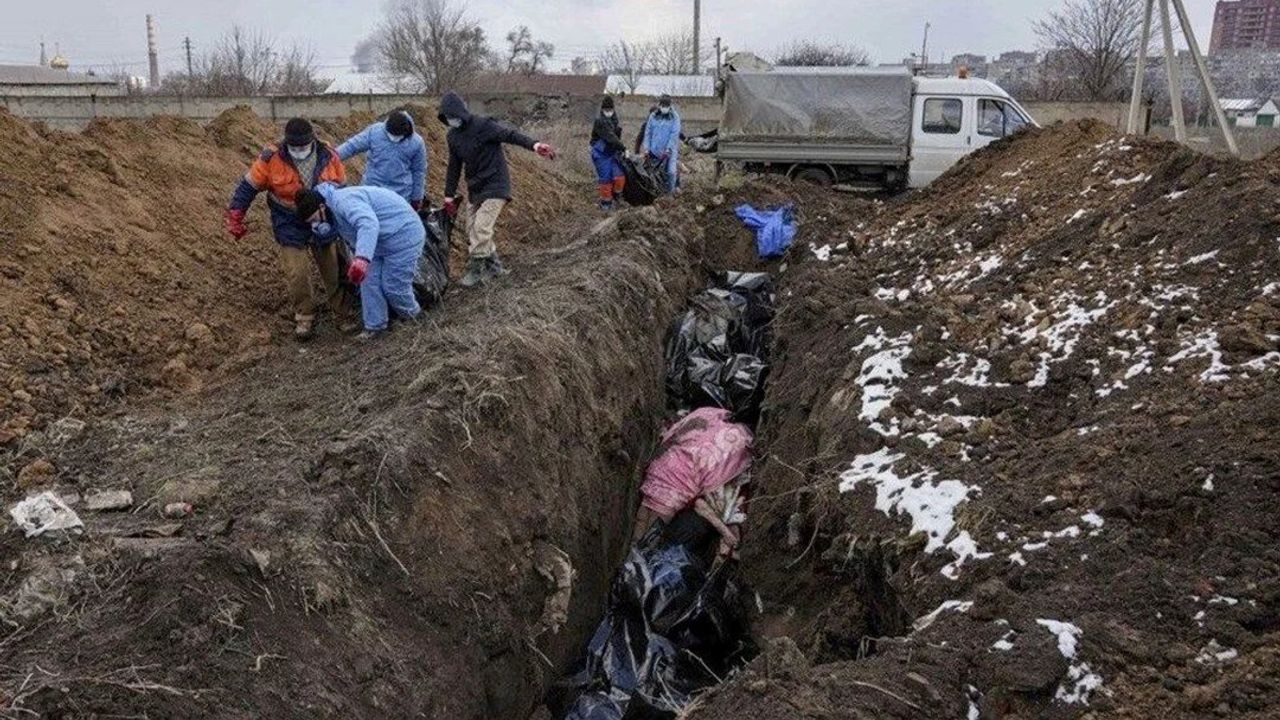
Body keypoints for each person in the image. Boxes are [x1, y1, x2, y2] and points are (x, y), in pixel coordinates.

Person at [225, 118, 349, 340]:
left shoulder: (328, 155)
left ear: (312, 141)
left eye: (303, 147)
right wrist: (236, 214)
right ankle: (304, 316)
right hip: (288, 219)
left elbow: (342, 188)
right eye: (294, 147)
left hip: (321, 216)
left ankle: (343, 313)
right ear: (287, 143)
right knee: (297, 272)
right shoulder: (271, 157)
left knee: (333, 267)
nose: (299, 151)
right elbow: (248, 186)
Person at [437, 91, 557, 287]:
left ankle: (475, 271)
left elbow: (510, 135)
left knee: (481, 227)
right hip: (475, 187)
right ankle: (494, 266)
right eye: (448, 118)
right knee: (471, 230)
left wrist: (535, 145)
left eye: (454, 116)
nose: (452, 120)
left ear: (461, 112)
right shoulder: (453, 137)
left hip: (496, 183)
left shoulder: (483, 126)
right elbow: (454, 167)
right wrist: (448, 196)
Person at [294, 183, 425, 340]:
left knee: (393, 286)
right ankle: (375, 327)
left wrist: (362, 259)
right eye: (311, 223)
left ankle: (416, 319)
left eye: (315, 219)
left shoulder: (344, 202)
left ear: (322, 207)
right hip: (379, 242)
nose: (316, 224)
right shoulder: (332, 212)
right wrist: (359, 259)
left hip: (403, 235)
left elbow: (368, 224)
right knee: (368, 281)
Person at [336, 109, 428, 209]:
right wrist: (331, 156)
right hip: (372, 190)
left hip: (400, 195)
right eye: (391, 135)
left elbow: (418, 171)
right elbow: (352, 146)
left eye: (397, 136)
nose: (393, 139)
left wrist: (416, 197)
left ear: (406, 131)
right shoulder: (375, 132)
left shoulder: (416, 142)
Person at [590, 96, 627, 211]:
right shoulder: (599, 121)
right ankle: (606, 203)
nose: (609, 112)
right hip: (600, 153)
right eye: (606, 110)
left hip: (612, 152)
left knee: (619, 176)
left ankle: (616, 197)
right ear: (602, 110)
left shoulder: (614, 120)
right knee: (606, 178)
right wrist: (623, 148)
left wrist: (619, 149)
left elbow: (615, 136)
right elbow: (610, 137)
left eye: (610, 110)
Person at [642, 94, 682, 193]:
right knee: (654, 172)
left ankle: (670, 194)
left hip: (669, 151)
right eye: (662, 106)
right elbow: (648, 132)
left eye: (666, 106)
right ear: (659, 105)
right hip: (655, 150)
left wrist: (668, 149)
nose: (664, 108)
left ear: (670, 106)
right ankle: (658, 191)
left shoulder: (674, 117)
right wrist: (646, 148)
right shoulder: (653, 116)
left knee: (671, 172)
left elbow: (674, 134)